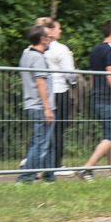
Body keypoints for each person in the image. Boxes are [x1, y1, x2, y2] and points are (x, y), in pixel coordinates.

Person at [78, 19, 111, 181]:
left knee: (110, 135)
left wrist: (94, 93)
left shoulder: (95, 49)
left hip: (97, 98)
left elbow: (92, 75)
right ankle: (87, 168)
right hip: (108, 99)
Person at [15, 26, 56, 184]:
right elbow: (40, 84)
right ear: (42, 39)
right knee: (39, 144)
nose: (50, 40)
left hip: (32, 104)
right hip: (40, 106)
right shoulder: (38, 58)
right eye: (48, 37)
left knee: (47, 142)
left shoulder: (26, 55)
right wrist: (47, 108)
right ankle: (24, 179)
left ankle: (49, 176)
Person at [35, 17, 76, 173]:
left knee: (42, 130)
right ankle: (56, 165)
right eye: (58, 28)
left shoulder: (35, 48)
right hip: (59, 92)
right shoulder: (60, 49)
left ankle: (38, 163)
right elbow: (69, 74)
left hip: (42, 93)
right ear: (50, 30)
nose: (60, 31)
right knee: (58, 130)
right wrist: (73, 82)